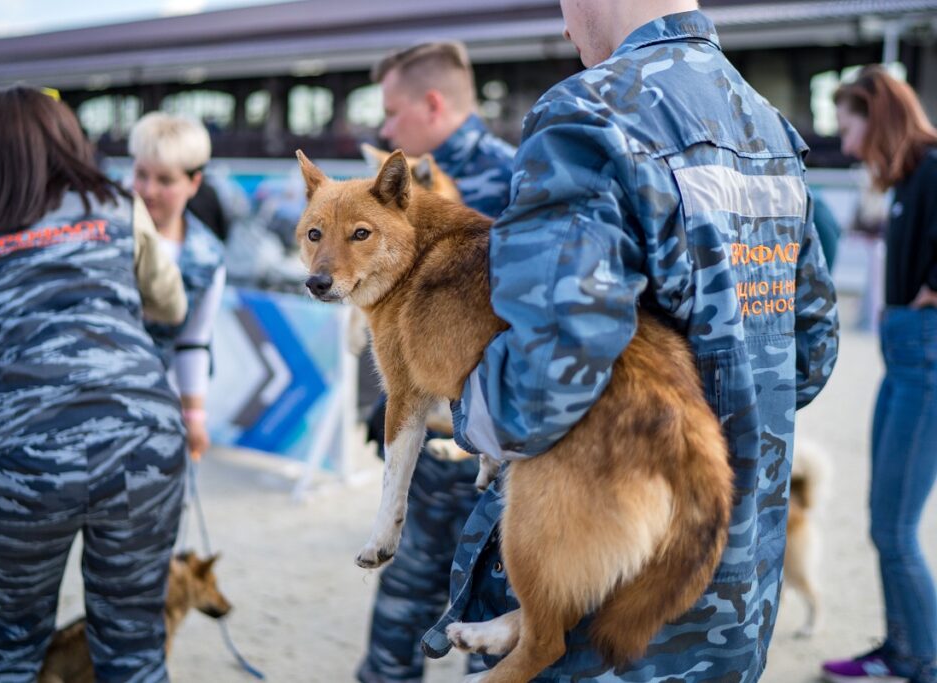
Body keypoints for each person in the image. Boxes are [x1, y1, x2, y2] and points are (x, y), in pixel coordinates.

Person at [419, 2, 840, 681]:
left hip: (601, 585)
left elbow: (542, 383)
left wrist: (458, 408)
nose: (564, 24)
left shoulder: (588, 115)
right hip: (732, 597)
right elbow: (811, 354)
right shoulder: (766, 123)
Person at [0, 86, 189, 681]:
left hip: (20, 458)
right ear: (69, 140)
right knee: (134, 644)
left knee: (6, 641)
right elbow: (171, 303)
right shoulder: (118, 206)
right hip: (143, 444)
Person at [356, 40, 516, 683]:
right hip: (431, 458)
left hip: (498, 452)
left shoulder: (521, 178)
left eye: (392, 112)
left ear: (432, 102)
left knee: (491, 625)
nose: (385, 128)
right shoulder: (386, 188)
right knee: (400, 612)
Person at [821, 65, 937, 683]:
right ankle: (900, 652)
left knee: (894, 529)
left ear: (878, 115)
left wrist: (928, 293)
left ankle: (923, 662)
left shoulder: (935, 163)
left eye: (849, 125)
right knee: (882, 522)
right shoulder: (908, 176)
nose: (843, 142)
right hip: (902, 352)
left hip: (924, 353)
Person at [129, 112, 226, 462]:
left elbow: (194, 341)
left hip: (160, 405)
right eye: (141, 174)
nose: (148, 191)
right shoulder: (104, 233)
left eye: (165, 180)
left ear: (194, 182)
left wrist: (194, 417)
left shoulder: (209, 257)